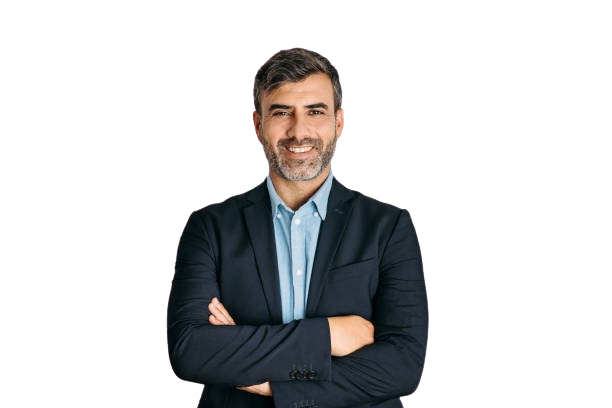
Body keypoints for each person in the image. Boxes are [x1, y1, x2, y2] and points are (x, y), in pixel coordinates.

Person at [167, 47, 427, 408]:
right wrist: (329, 334)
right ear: (258, 125)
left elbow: (403, 366)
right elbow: (191, 351)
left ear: (338, 122)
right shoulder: (209, 227)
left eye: (315, 112)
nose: (298, 131)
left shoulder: (389, 226)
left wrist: (267, 381)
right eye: (281, 112)